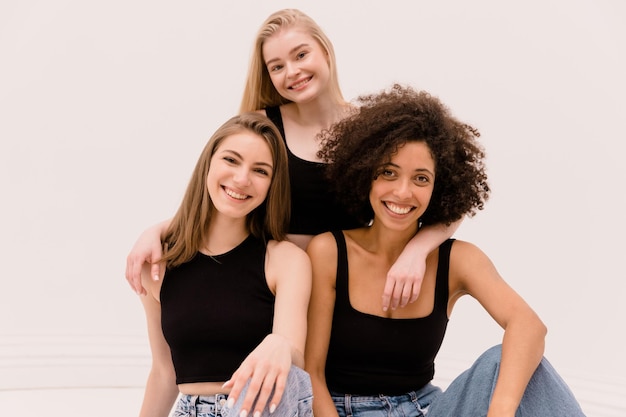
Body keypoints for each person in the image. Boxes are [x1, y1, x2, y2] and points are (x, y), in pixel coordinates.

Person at [125, 9, 461, 311]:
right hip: (269, 289)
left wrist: (416, 252)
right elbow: (228, 196)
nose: (293, 71)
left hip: (346, 289)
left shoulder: (373, 129)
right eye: (277, 66)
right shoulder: (262, 125)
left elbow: (453, 199)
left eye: (301, 55)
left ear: (325, 50)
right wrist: (158, 229)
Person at [305, 85, 586, 417]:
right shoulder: (329, 251)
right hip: (348, 409)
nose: (403, 192)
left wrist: (501, 410)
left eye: (421, 179)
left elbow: (529, 325)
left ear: (440, 188)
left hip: (429, 409)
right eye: (388, 172)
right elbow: (312, 374)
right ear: (366, 172)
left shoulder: (458, 260)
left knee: (513, 360)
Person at [137, 113, 313, 417]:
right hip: (189, 409)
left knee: (278, 374)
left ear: (272, 185)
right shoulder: (157, 264)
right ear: (209, 164)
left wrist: (280, 343)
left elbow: (294, 356)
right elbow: (165, 374)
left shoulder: (285, 260)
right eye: (231, 160)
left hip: (261, 408)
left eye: (260, 171)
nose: (242, 179)